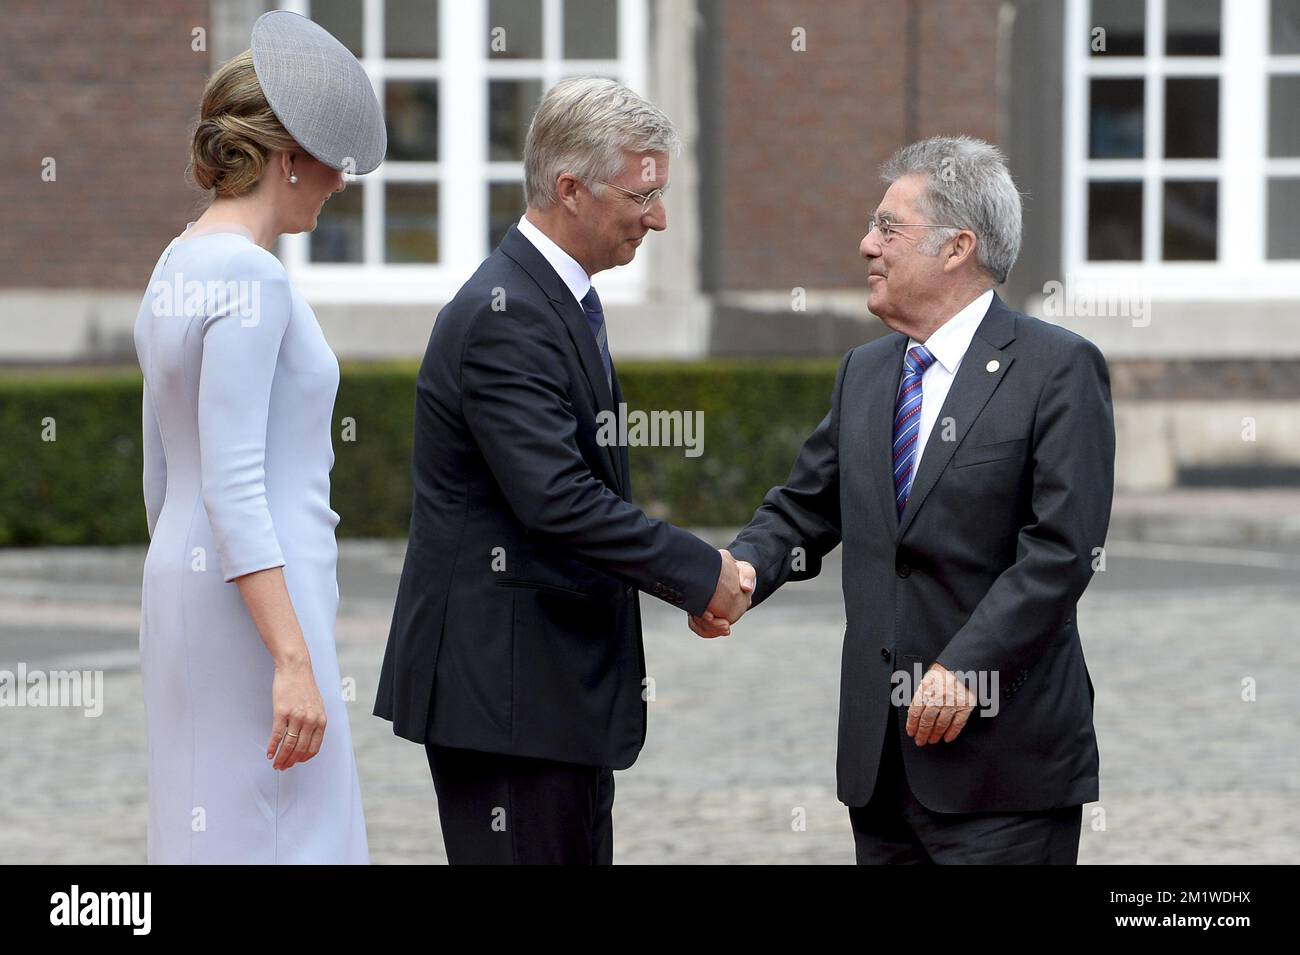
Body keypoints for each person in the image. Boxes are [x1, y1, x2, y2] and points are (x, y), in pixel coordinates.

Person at [694, 136, 1116, 864]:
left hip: (1003, 775)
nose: (867, 245)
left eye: (888, 228)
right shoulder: (866, 370)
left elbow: (1061, 550)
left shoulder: (1057, 369)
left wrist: (967, 666)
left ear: (957, 248)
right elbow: (805, 507)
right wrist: (741, 573)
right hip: (881, 769)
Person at [374, 76, 755, 865]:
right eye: (641, 194)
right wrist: (698, 570)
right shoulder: (503, 315)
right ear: (570, 188)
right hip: (507, 695)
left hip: (548, 692)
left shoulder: (557, 296)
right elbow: (557, 499)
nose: (658, 216)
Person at [133, 10, 385, 863]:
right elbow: (234, 484)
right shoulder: (253, 278)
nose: (339, 183)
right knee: (288, 834)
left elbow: (161, 478)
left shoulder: (175, 262)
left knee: (208, 824)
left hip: (188, 587)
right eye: (331, 163)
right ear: (287, 160)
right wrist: (291, 656)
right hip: (260, 603)